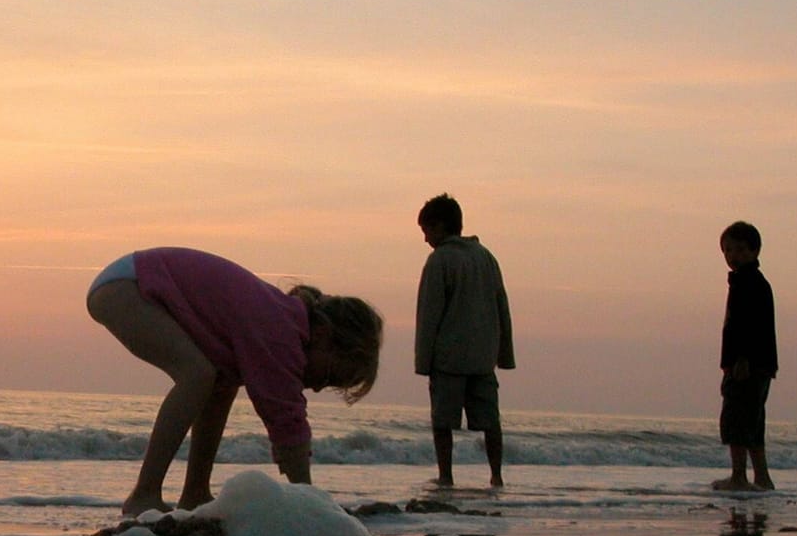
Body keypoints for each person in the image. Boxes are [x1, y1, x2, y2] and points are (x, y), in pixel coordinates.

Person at [87, 247, 383, 515]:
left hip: (132, 280)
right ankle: (144, 494)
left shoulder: (280, 321)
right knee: (196, 375)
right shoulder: (280, 332)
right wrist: (311, 504)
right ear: (324, 335)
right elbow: (285, 419)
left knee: (219, 384)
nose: (318, 387)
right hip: (130, 286)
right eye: (330, 376)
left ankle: (195, 493)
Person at [414, 193, 514, 488]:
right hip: (483, 358)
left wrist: (423, 361)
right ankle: (496, 475)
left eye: (427, 231)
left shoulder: (440, 259)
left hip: (449, 359)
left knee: (443, 422)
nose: (426, 239)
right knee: (490, 422)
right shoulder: (486, 257)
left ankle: (446, 476)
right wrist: (504, 355)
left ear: (441, 226)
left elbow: (429, 314)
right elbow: (502, 308)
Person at [714, 220, 778, 491]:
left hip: (747, 365)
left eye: (740, 250)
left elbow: (746, 326)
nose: (733, 256)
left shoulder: (747, 284)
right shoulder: (752, 282)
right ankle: (761, 477)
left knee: (736, 420)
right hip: (760, 364)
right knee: (753, 422)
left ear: (754, 252)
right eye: (728, 250)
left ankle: (739, 475)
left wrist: (741, 360)